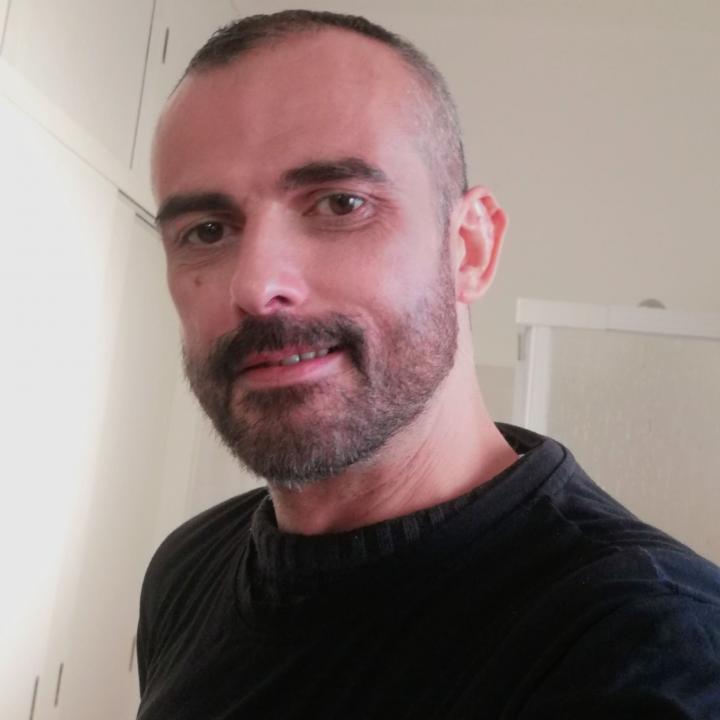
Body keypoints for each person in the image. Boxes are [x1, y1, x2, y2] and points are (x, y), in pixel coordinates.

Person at [137, 10, 720, 719]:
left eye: (341, 204)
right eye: (206, 231)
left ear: (469, 248)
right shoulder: (187, 566)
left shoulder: (647, 647)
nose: (256, 287)